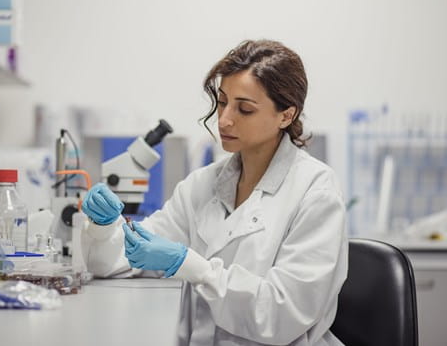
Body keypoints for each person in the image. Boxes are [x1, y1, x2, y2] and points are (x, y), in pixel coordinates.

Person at [81, 39, 348, 346]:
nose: (224, 119)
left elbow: (280, 315)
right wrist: (103, 228)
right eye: (222, 103)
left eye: (244, 109)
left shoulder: (316, 191)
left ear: (286, 115)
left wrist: (194, 268)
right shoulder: (203, 185)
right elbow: (114, 262)